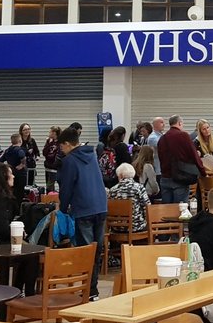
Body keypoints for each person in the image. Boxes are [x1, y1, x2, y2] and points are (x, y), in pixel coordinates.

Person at [57, 126, 108, 299]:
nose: (61, 150)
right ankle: (93, 289)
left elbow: (66, 187)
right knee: (96, 250)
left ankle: (88, 290)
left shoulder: (70, 160)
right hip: (101, 206)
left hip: (84, 208)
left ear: (67, 144)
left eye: (61, 146)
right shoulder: (91, 155)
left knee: (86, 251)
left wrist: (63, 209)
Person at [156, 115, 205, 205]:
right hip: (180, 178)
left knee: (166, 209)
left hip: (165, 178)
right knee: (180, 209)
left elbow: (160, 157)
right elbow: (194, 154)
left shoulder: (162, 139)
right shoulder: (183, 136)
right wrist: (202, 171)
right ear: (179, 123)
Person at [107, 164, 150, 233]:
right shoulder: (139, 188)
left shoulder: (113, 190)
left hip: (117, 228)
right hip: (136, 226)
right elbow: (147, 207)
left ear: (120, 175)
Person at [1, 134, 29, 202]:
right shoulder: (19, 150)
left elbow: (1, 160)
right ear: (20, 141)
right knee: (19, 193)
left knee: (11, 191)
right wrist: (22, 165)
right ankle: (18, 206)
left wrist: (6, 168)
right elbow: (22, 156)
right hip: (20, 175)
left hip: (11, 173)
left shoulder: (7, 150)